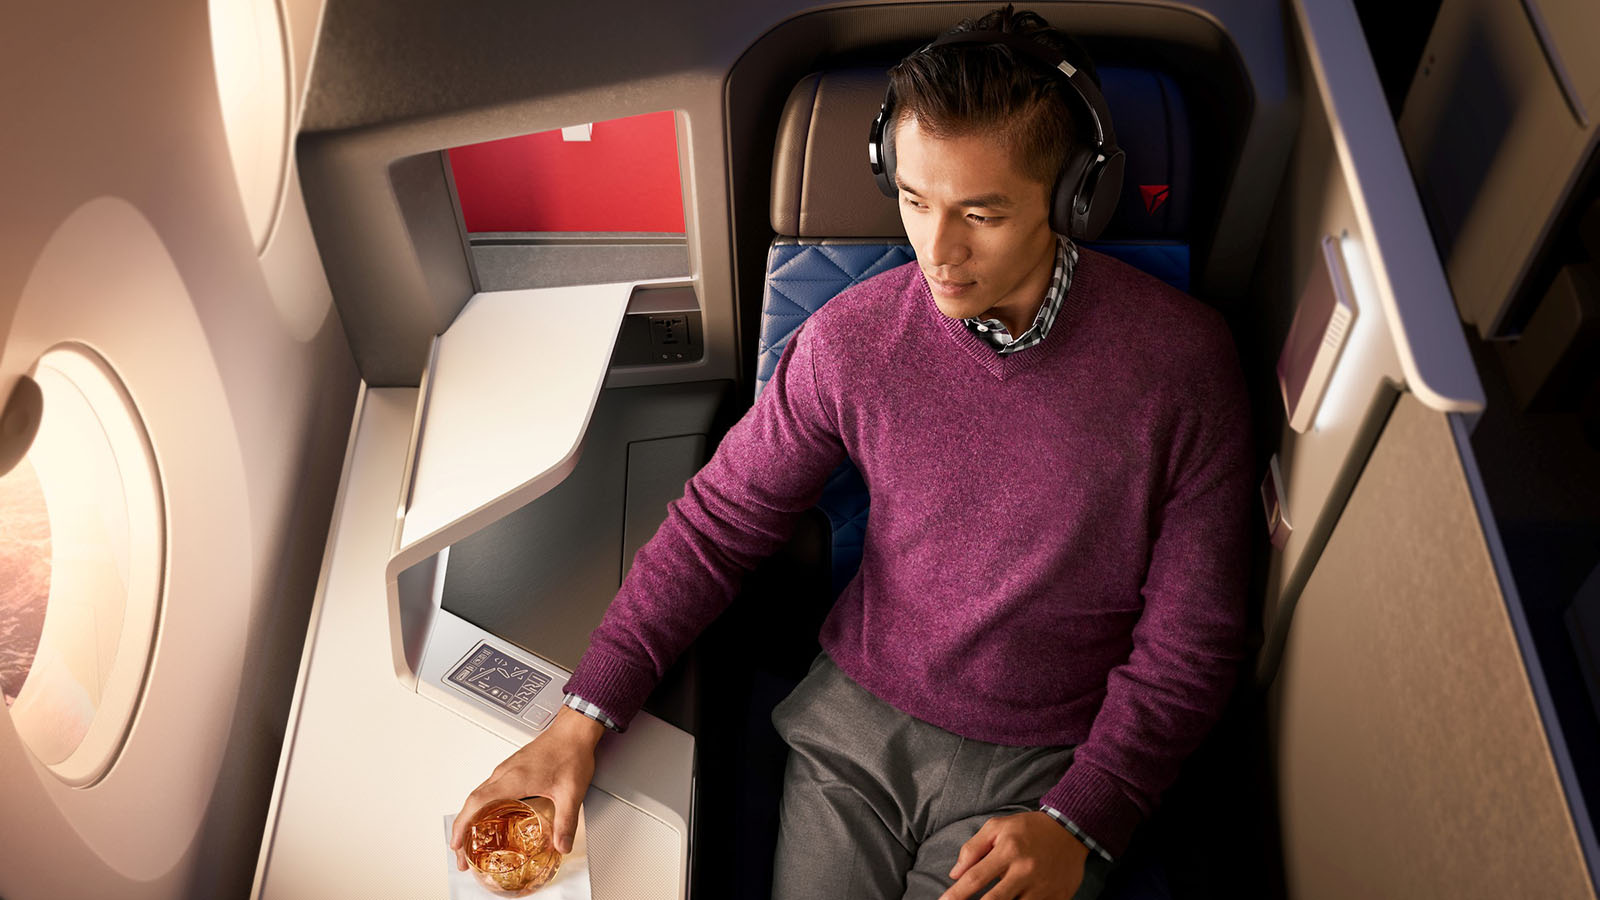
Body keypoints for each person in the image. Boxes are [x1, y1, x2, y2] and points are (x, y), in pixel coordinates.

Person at [449, 6, 1252, 899]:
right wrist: (581, 718)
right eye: (914, 201)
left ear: (1074, 197)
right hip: (854, 732)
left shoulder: (1185, 365)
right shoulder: (854, 341)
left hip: (1051, 760)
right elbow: (718, 527)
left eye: (980, 213)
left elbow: (1193, 643)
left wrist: (1084, 816)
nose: (937, 253)